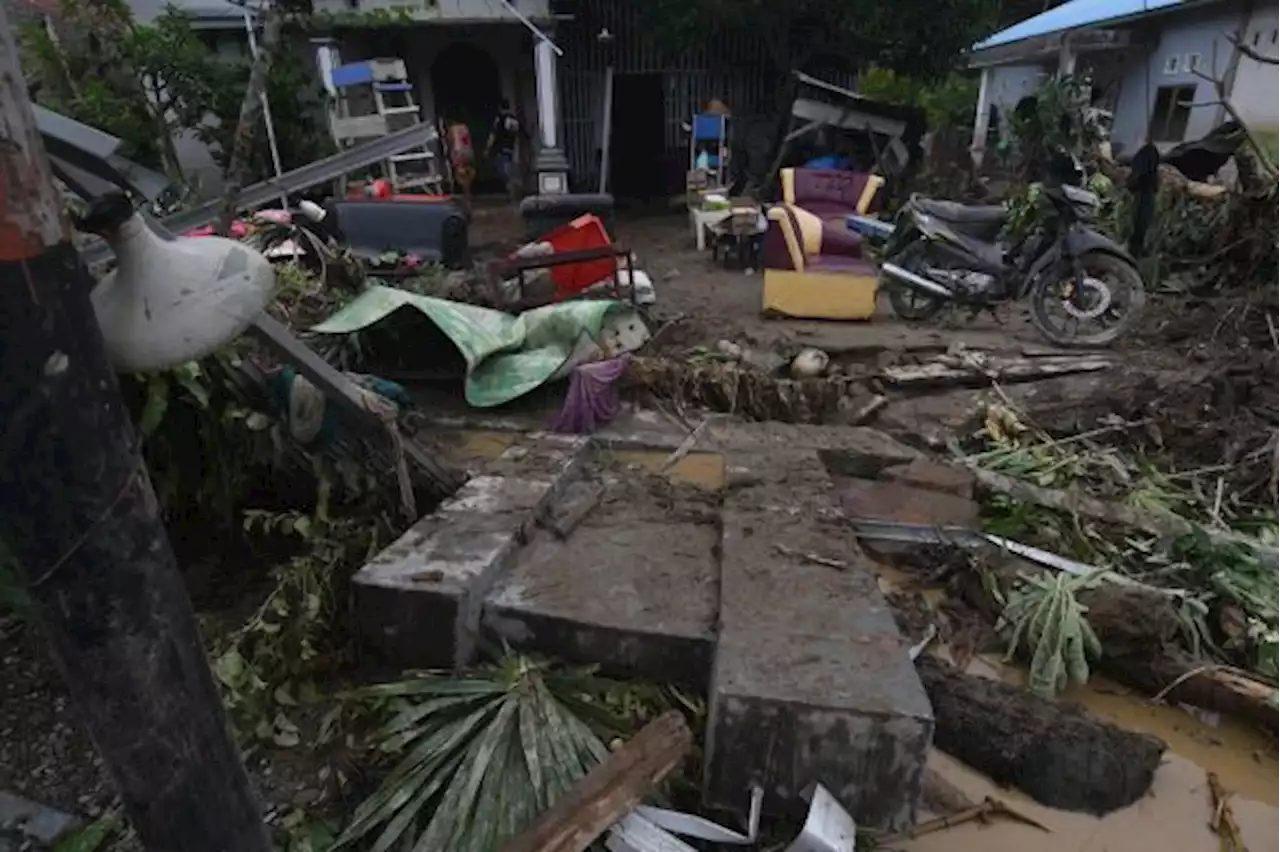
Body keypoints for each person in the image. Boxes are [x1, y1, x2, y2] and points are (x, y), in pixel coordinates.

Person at [485, 99, 521, 201]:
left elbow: (493, 135)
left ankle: (511, 189)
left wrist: (488, 149)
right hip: (510, 148)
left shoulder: (500, 119)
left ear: (500, 107)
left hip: (500, 149)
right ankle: (513, 188)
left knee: (502, 171)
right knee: (507, 169)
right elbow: (518, 133)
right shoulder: (513, 119)